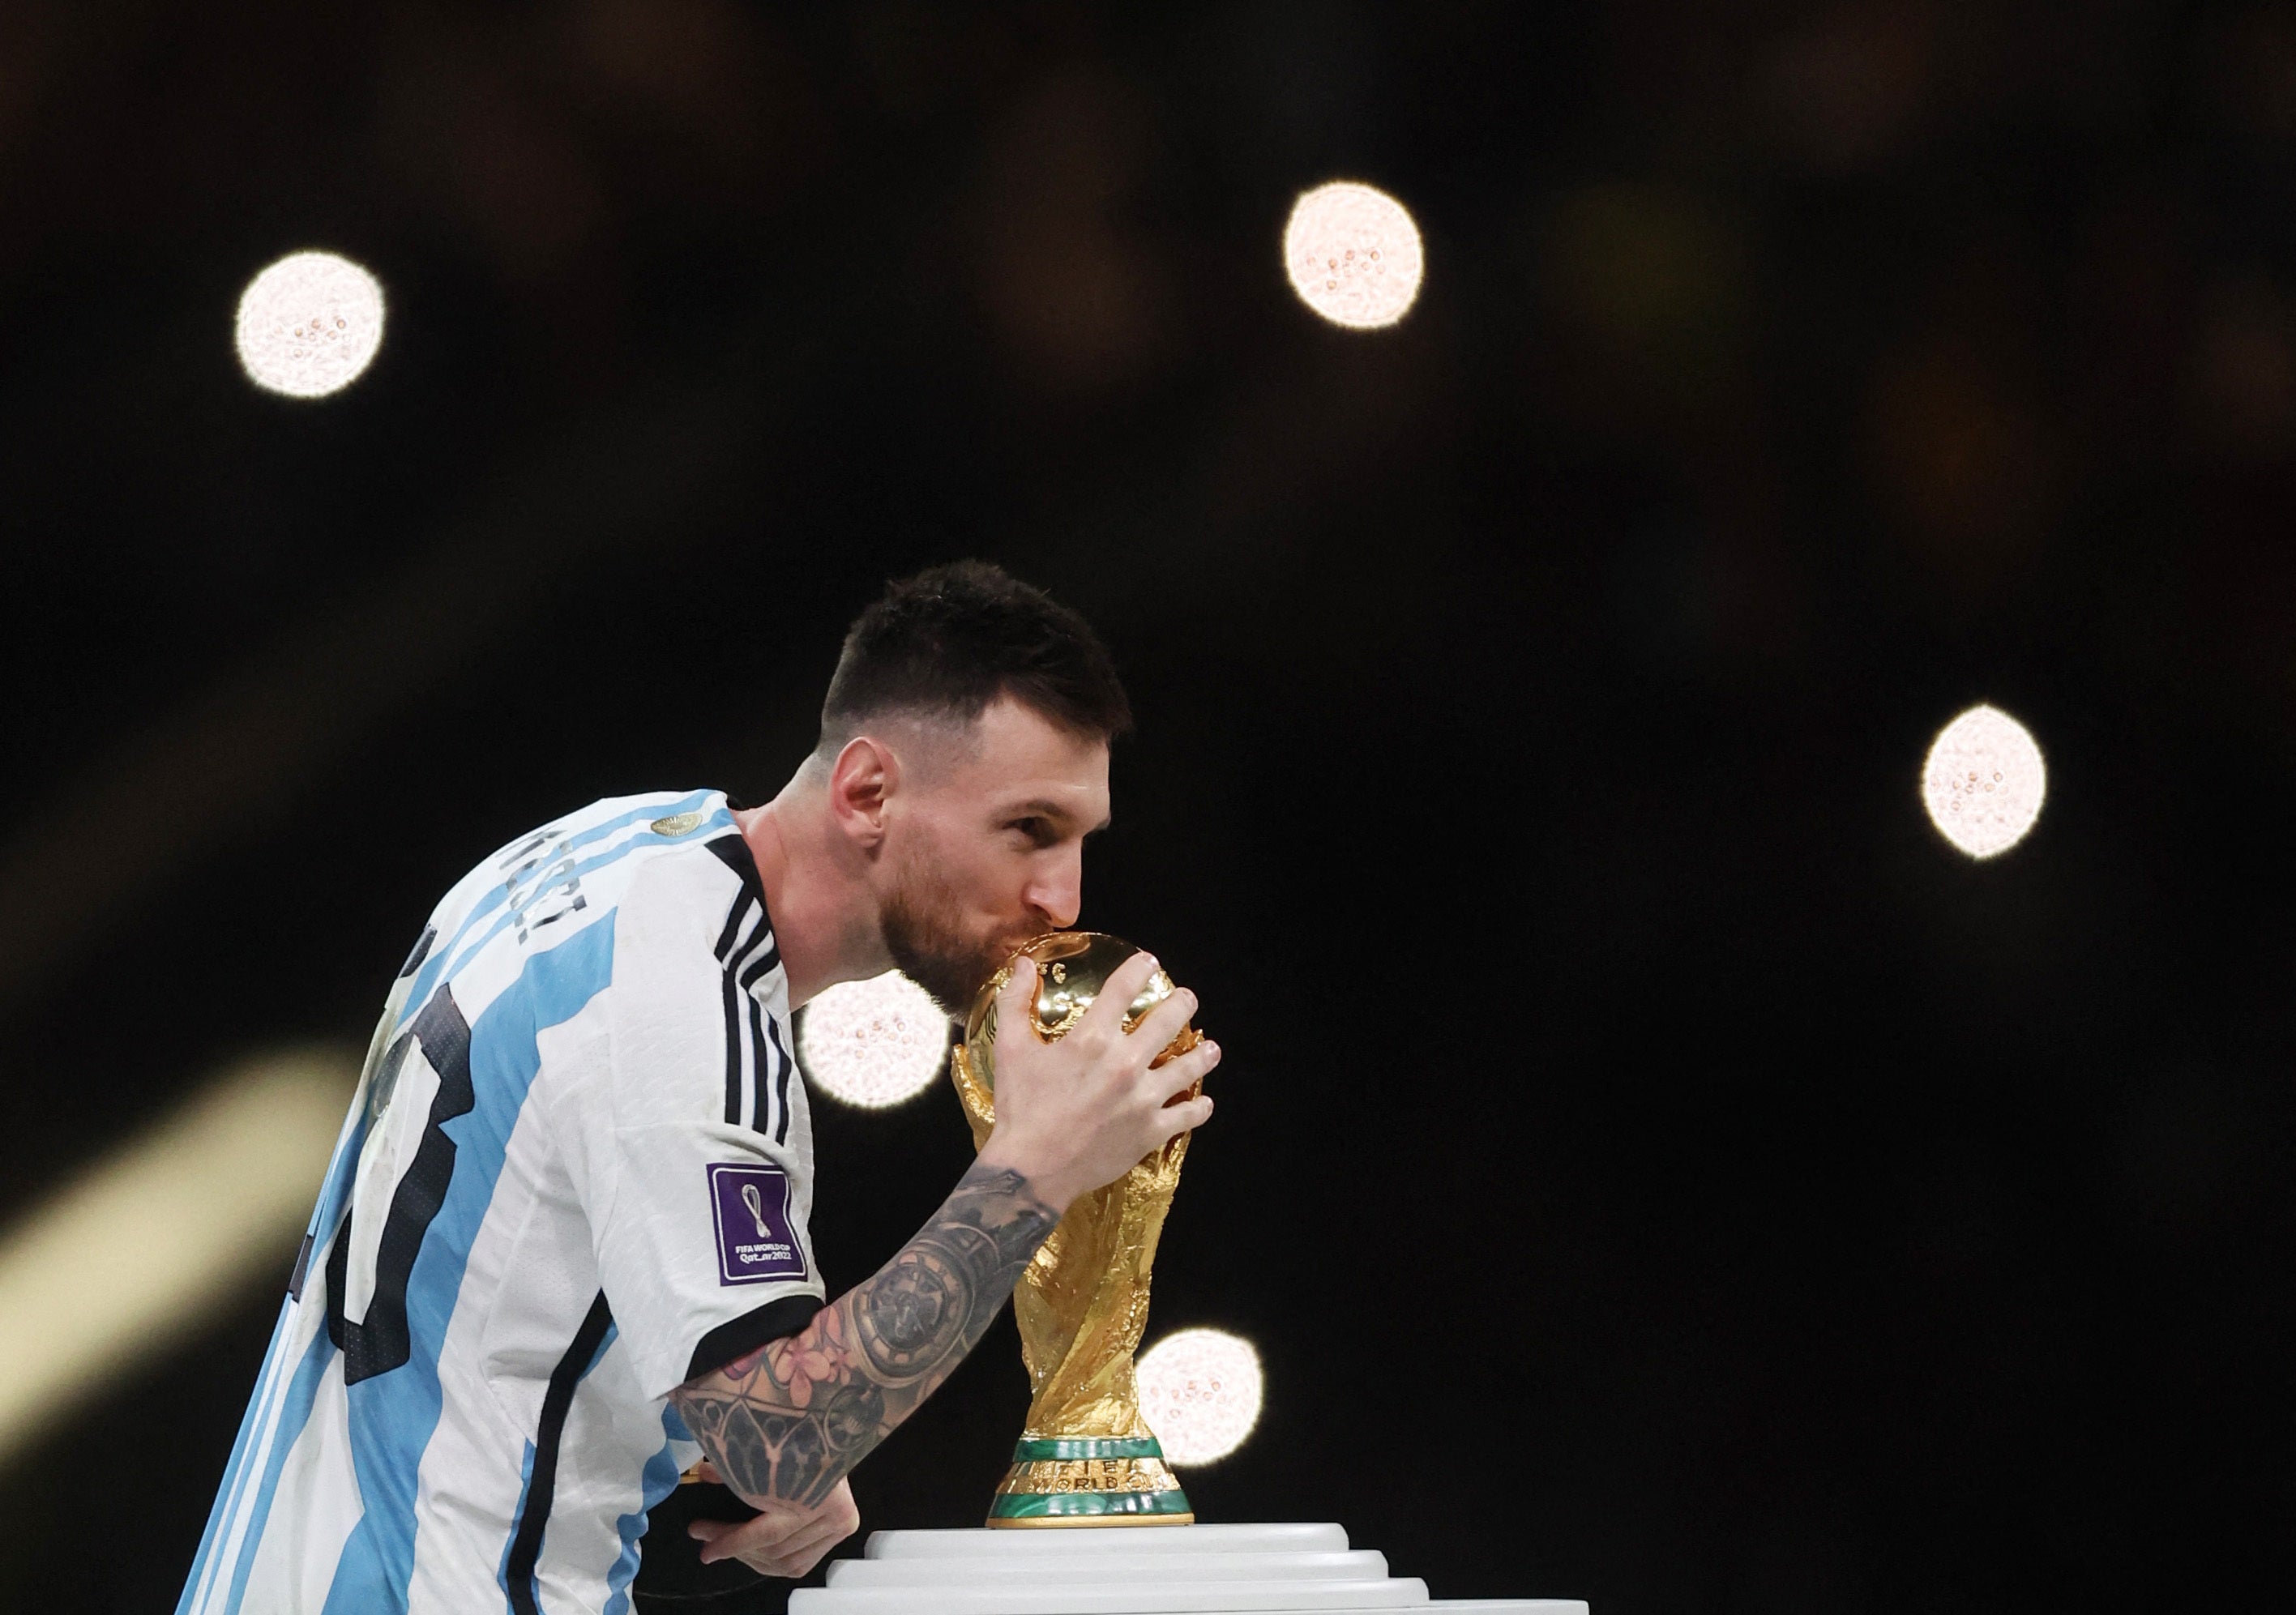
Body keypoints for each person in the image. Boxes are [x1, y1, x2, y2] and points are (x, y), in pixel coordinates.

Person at [176, 562, 1220, 1614]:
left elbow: (488, 1293)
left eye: (1082, 839)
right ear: (867, 792)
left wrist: (714, 1433)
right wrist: (1031, 1170)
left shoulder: (604, 851)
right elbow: (780, 1442)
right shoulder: (684, 1009)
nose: (1062, 895)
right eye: (1029, 829)